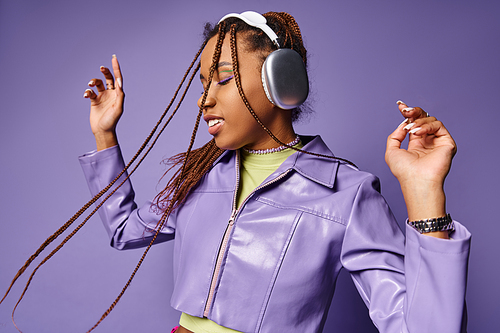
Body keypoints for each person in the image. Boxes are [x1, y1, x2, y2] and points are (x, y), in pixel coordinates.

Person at [80, 11, 470, 333]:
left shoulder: (345, 194)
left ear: (280, 82)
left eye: (224, 78)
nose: (204, 99)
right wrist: (104, 134)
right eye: (202, 84)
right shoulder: (203, 174)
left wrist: (424, 194)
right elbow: (124, 231)